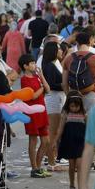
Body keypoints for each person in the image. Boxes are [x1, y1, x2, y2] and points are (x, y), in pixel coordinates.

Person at [19, 54, 51, 178]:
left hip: (41, 111)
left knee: (46, 141)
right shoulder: (24, 80)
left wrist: (42, 76)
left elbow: (48, 88)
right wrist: (42, 89)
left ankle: (38, 166)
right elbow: (32, 96)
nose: (34, 65)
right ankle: (34, 167)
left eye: (34, 62)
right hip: (31, 111)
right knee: (33, 139)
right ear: (25, 66)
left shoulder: (37, 76)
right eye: (31, 63)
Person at [62, 33, 95, 113]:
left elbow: (64, 84)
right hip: (91, 95)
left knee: (77, 124)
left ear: (77, 43)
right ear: (90, 43)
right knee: (92, 123)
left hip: (74, 96)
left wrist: (70, 96)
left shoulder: (69, 59)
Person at [55, 91, 86, 189]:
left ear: (80, 105)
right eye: (72, 106)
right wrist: (56, 140)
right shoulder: (66, 114)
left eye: (76, 106)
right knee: (71, 166)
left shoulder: (84, 115)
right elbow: (60, 128)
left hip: (81, 143)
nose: (74, 108)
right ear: (68, 105)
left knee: (79, 165)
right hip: (69, 142)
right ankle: (72, 186)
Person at [41, 42, 65, 171]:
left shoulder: (54, 64)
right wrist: (65, 84)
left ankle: (52, 158)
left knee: (55, 133)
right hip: (53, 100)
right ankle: (51, 162)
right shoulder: (50, 66)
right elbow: (51, 85)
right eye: (59, 49)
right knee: (52, 133)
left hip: (58, 98)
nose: (61, 51)